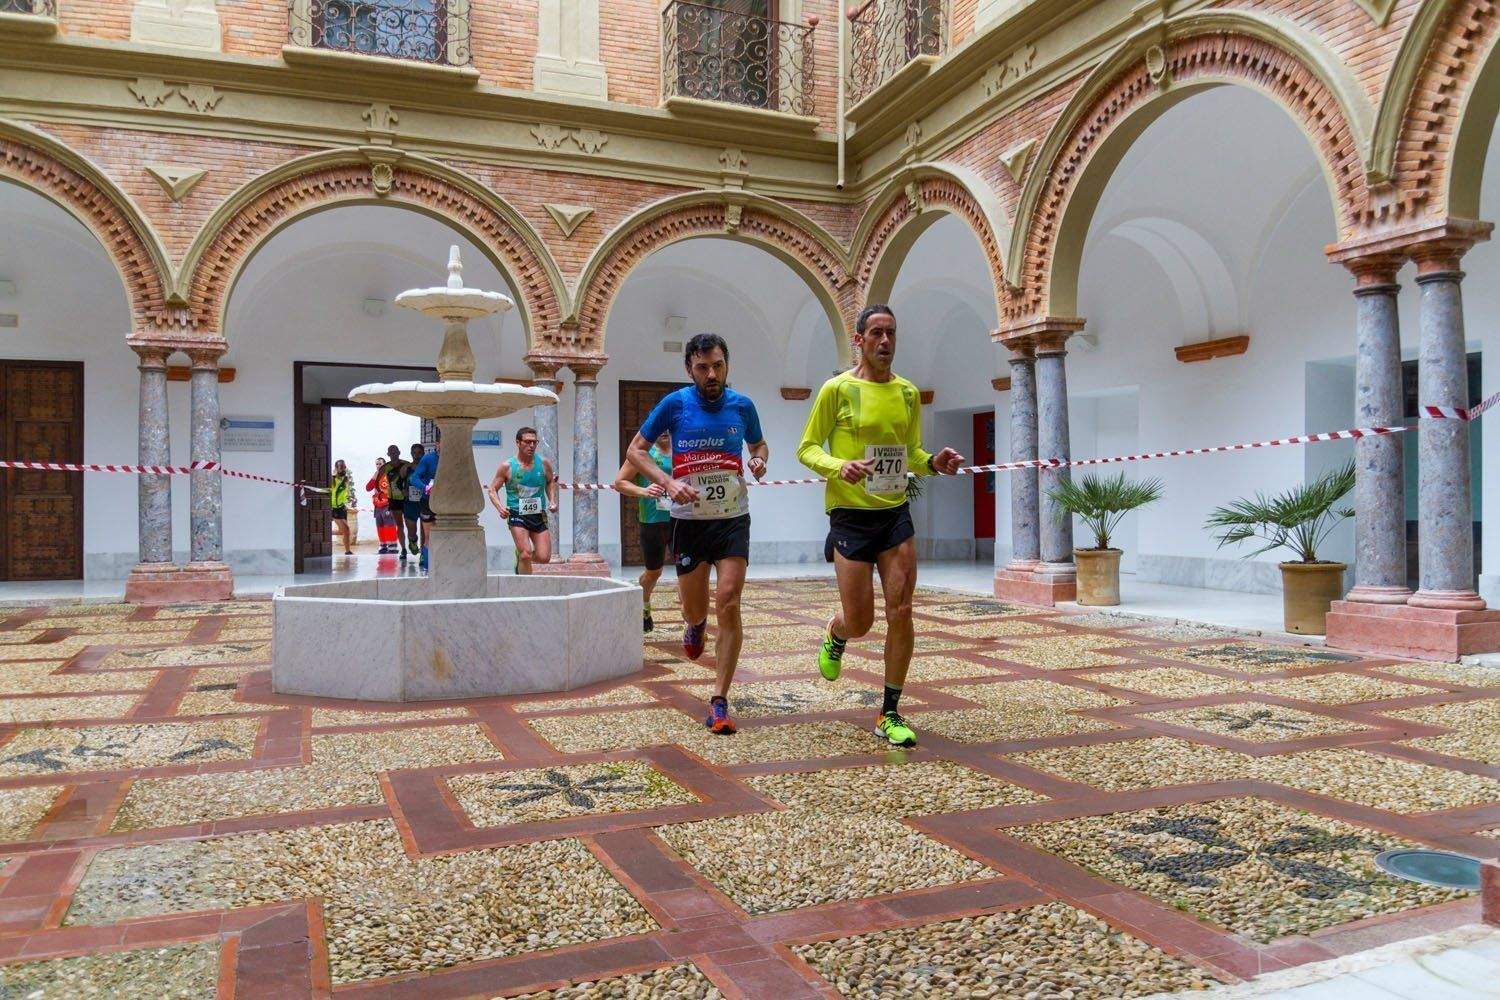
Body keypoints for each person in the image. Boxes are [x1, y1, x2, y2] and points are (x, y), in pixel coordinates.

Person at [796, 304, 965, 748]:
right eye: (876, 333)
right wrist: (839, 466)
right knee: (862, 620)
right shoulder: (837, 389)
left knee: (902, 611)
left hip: (894, 514)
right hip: (850, 515)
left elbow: (910, 452)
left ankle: (889, 712)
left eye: (891, 333)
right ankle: (836, 632)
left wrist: (934, 463)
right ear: (860, 340)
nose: (885, 341)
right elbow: (807, 448)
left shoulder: (908, 393)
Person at [628, 333, 767, 736]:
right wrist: (668, 483)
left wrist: (757, 461)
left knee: (729, 599)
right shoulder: (674, 405)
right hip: (688, 520)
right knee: (696, 607)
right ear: (689, 368)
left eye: (718, 365)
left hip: (732, 518)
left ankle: (720, 700)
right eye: (703, 367)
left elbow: (759, 445)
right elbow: (636, 451)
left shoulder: (743, 405)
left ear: (727, 365)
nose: (712, 374)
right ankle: (694, 624)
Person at [612, 430, 673, 633]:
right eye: (659, 427)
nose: (663, 431)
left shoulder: (683, 449)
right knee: (654, 572)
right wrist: (644, 491)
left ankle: (693, 622)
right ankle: (644, 604)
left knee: (689, 571)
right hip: (653, 520)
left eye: (667, 427)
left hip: (683, 518)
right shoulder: (643, 454)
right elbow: (620, 482)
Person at [487, 426, 558, 574]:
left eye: (534, 442)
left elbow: (550, 481)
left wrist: (552, 500)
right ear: (518, 443)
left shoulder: (544, 464)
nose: (531, 445)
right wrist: (500, 507)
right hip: (517, 514)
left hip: (538, 514)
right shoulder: (507, 466)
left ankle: (520, 559)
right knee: (526, 553)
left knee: (544, 557)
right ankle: (524, 585)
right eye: (527, 442)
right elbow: (492, 489)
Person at [408, 438, 440, 572]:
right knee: (429, 536)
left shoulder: (454, 459)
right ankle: (428, 567)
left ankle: (444, 564)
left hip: (448, 503)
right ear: (438, 444)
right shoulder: (428, 458)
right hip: (428, 501)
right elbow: (414, 478)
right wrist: (425, 487)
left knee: (446, 534)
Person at [380, 444, 412, 560]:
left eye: (395, 452)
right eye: (391, 453)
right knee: (399, 525)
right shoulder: (385, 467)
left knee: (410, 524)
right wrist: (383, 493)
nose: (393, 454)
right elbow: (377, 481)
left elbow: (413, 477)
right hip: (393, 500)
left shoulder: (406, 464)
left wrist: (408, 489)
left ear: (399, 452)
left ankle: (412, 542)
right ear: (388, 454)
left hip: (406, 499)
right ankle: (403, 549)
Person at [367, 457, 397, 554]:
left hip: (387, 504)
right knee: (380, 526)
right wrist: (374, 477)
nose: (378, 466)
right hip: (377, 505)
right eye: (377, 464)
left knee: (389, 525)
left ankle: (392, 546)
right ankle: (383, 545)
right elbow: (368, 488)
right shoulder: (376, 476)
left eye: (380, 463)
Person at [402, 442, 425, 565]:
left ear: (423, 454)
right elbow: (399, 484)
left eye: (419, 453)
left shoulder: (427, 468)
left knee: (425, 529)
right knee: (412, 529)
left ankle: (424, 554)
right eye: (414, 453)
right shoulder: (406, 468)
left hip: (424, 502)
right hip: (410, 503)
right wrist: (403, 491)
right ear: (411, 454)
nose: (417, 455)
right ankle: (413, 541)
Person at [329, 459, 355, 555]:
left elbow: (345, 493)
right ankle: (348, 551)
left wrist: (348, 502)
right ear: (336, 468)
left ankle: (327, 532)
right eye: (340, 466)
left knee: (342, 531)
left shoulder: (346, 479)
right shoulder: (332, 478)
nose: (343, 468)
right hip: (334, 507)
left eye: (344, 466)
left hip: (342, 507)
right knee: (346, 529)